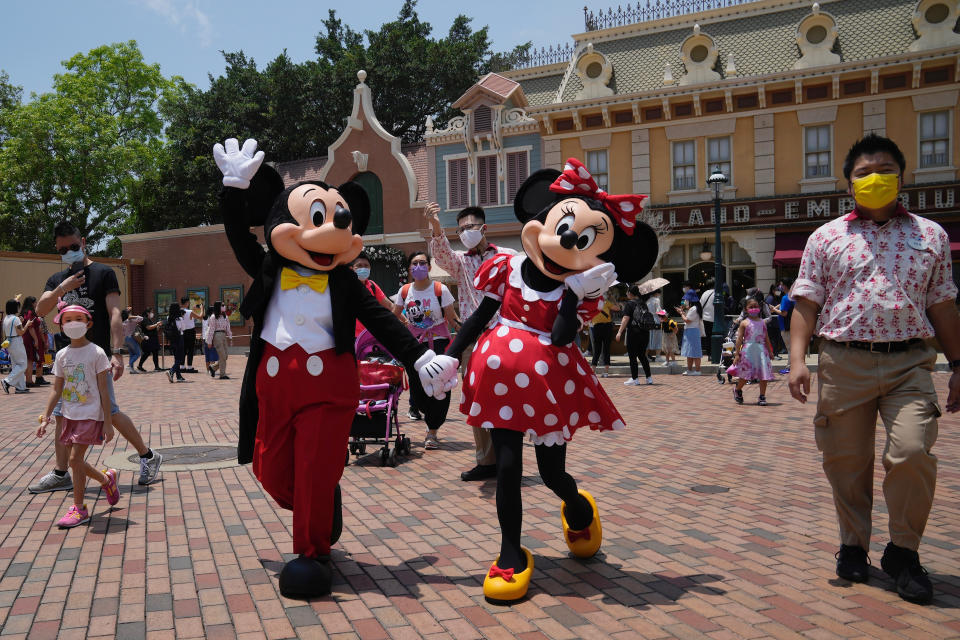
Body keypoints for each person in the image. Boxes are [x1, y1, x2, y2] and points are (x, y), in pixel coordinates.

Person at [444, 158, 657, 603]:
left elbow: (562, 338)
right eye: (562, 227)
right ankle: (509, 553)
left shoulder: (576, 291)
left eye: (581, 240)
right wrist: (446, 358)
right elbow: (479, 315)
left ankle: (578, 508)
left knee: (551, 473)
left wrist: (575, 295)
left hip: (547, 387)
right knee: (505, 469)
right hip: (501, 386)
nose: (565, 241)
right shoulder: (506, 267)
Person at [788, 134, 960, 605]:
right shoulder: (825, 238)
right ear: (849, 185)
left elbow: (943, 305)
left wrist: (959, 363)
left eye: (884, 169)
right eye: (863, 173)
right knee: (846, 462)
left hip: (910, 363)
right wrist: (798, 361)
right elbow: (806, 302)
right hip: (844, 363)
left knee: (911, 454)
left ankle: (904, 553)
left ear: (901, 178)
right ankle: (853, 546)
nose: (874, 178)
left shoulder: (931, 236)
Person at [28, 221, 162, 493]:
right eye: (63, 249)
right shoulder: (57, 280)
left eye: (74, 246)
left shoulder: (103, 273)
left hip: (95, 357)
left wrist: (117, 351)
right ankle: (61, 472)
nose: (69, 252)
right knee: (61, 414)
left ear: (84, 242)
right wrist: (61, 289)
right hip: (67, 358)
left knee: (109, 411)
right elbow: (41, 309)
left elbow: (115, 314)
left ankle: (148, 456)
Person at [426, 202, 517, 481]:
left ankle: (508, 460)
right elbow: (441, 255)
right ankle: (486, 460)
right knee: (476, 395)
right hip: (471, 336)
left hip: (503, 335)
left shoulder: (507, 256)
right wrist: (436, 225)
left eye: (471, 227)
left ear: (484, 228)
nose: (466, 232)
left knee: (506, 394)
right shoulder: (461, 262)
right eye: (461, 228)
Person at [36, 302, 120, 528]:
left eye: (78, 319)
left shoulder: (97, 353)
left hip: (91, 415)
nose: (73, 324)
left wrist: (108, 423)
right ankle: (105, 480)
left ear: (88, 323)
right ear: (61, 325)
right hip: (69, 415)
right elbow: (56, 389)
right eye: (68, 320)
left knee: (74, 460)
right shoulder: (62, 355)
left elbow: (104, 390)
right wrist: (46, 416)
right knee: (77, 462)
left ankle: (79, 508)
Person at [393, 251, 457, 449]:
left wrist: (467, 336)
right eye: (414, 263)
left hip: (437, 343)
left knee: (441, 387)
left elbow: (453, 319)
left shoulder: (440, 289)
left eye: (422, 263)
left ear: (429, 267)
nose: (418, 266)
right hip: (414, 347)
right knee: (418, 390)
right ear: (410, 268)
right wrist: (403, 325)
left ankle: (432, 431)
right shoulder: (404, 291)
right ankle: (424, 412)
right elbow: (394, 316)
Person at [730, 297, 775, 405]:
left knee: (764, 375)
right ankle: (738, 389)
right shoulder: (744, 323)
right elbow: (740, 339)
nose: (754, 309)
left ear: (759, 308)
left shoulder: (763, 322)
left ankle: (762, 396)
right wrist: (737, 354)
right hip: (748, 350)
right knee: (746, 375)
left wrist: (770, 351)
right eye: (751, 307)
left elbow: (766, 337)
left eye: (756, 306)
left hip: (761, 350)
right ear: (746, 309)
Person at [351, 251, 401, 337]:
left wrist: (406, 321)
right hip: (353, 338)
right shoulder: (346, 287)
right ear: (352, 269)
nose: (363, 268)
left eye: (366, 266)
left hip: (373, 337)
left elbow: (390, 306)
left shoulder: (372, 285)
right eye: (359, 266)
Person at [616, 286, 653, 385]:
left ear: (630, 293)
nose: (626, 294)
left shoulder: (629, 304)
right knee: (642, 355)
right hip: (645, 333)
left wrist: (619, 332)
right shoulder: (643, 303)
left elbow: (625, 318)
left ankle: (635, 379)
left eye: (627, 292)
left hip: (633, 332)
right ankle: (649, 378)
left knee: (632, 356)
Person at [2, 298, 34, 394]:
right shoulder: (15, 319)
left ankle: (20, 387)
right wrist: (27, 324)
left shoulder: (6, 318)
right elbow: (21, 332)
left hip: (9, 342)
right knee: (23, 365)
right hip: (17, 341)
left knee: (16, 364)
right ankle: (7, 381)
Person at [20, 296, 48, 388]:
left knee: (30, 359)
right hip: (31, 338)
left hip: (27, 338)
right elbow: (31, 327)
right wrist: (36, 340)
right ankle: (29, 381)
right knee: (30, 360)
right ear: (32, 303)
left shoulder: (24, 312)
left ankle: (29, 380)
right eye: (35, 302)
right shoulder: (30, 313)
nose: (36, 304)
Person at [590, 290, 620, 378]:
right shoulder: (606, 303)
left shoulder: (593, 304)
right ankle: (605, 372)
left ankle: (593, 371)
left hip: (597, 327)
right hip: (607, 327)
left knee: (597, 350)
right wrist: (614, 300)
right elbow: (618, 308)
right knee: (605, 349)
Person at [204, 301, 232, 380]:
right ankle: (222, 374)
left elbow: (228, 327)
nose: (224, 307)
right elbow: (211, 330)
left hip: (223, 335)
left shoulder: (225, 316)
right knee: (222, 355)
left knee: (225, 356)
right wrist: (209, 342)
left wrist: (230, 336)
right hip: (217, 336)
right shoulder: (213, 317)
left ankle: (213, 367)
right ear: (218, 307)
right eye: (222, 305)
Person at [676, 298, 703, 374]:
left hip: (693, 331)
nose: (685, 302)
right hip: (690, 331)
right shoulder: (693, 308)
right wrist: (682, 312)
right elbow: (688, 319)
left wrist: (681, 313)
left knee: (695, 352)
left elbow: (687, 320)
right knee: (689, 351)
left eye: (686, 300)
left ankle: (697, 370)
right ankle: (689, 369)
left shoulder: (694, 309)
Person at [177, 297, 203, 373]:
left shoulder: (179, 311)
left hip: (182, 332)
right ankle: (189, 367)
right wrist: (202, 308)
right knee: (190, 350)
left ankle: (182, 367)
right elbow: (200, 317)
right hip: (190, 332)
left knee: (183, 350)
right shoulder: (189, 311)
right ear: (187, 302)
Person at [164, 303, 186, 383]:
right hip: (179, 338)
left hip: (172, 340)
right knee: (180, 358)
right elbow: (183, 328)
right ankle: (171, 371)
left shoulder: (168, 318)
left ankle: (178, 376)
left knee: (176, 358)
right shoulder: (179, 318)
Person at [121, 308, 143, 374]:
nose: (131, 313)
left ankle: (132, 370)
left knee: (132, 354)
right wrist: (134, 316)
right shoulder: (131, 320)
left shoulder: (123, 322)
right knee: (138, 353)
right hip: (131, 338)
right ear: (128, 314)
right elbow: (141, 318)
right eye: (129, 312)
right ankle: (129, 365)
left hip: (126, 339)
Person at [645, 290, 664, 361]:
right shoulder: (656, 300)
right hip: (655, 321)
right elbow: (659, 311)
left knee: (648, 339)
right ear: (656, 293)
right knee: (657, 338)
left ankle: (645, 356)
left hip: (648, 321)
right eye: (659, 293)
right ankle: (658, 356)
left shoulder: (647, 300)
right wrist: (665, 313)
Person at [201, 308, 219, 377]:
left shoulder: (204, 319)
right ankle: (212, 369)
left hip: (204, 338)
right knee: (212, 354)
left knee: (207, 355)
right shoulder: (212, 318)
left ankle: (208, 370)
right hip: (210, 338)